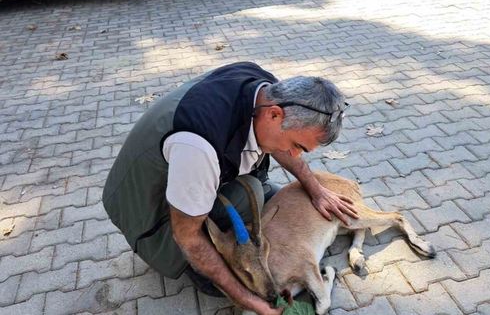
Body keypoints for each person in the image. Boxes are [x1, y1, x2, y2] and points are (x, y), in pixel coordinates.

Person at [102, 62, 358, 315]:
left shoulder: (264, 90)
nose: (294, 155)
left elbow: (283, 146)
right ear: (274, 115)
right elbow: (187, 237)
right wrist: (250, 300)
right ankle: (187, 262)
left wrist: (316, 189)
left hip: (189, 173)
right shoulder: (199, 145)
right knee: (228, 261)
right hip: (147, 216)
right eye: (297, 146)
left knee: (282, 208)